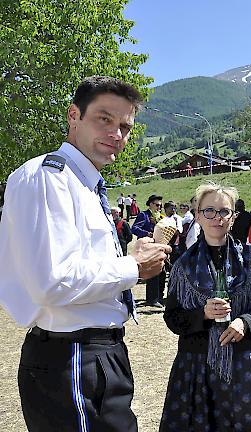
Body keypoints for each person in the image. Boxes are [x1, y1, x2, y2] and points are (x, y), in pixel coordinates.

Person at [0, 76, 170, 432]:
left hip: (94, 354)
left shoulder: (83, 183)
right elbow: (52, 282)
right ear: (74, 116)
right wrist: (132, 268)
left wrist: (128, 255)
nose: (117, 134)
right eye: (104, 119)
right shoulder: (51, 178)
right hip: (72, 355)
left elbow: (77, 264)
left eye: (125, 126)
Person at [159, 182, 251, 431]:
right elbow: (173, 317)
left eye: (224, 211)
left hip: (244, 362)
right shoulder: (183, 266)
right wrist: (202, 313)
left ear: (233, 217)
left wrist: (246, 321)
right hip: (197, 365)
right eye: (209, 211)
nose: (217, 218)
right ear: (198, 215)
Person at [132, 194, 166, 307]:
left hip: (159, 247)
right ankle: (152, 299)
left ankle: (159, 297)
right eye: (157, 205)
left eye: (160, 205)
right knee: (153, 273)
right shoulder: (144, 215)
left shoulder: (161, 216)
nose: (159, 207)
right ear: (150, 204)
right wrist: (147, 233)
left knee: (161, 273)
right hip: (148, 247)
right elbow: (134, 228)